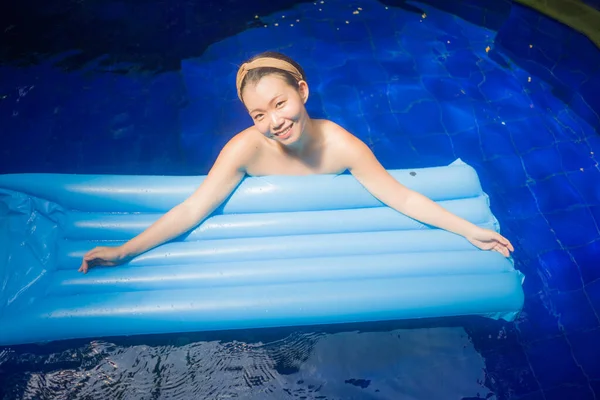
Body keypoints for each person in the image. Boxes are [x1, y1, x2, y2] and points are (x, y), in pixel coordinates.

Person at [78, 51, 513, 274]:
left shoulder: (341, 145)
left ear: (302, 92)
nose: (274, 122)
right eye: (258, 114)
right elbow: (195, 208)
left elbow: (400, 196)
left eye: (279, 103)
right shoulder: (245, 150)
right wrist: (124, 251)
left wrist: (469, 229)